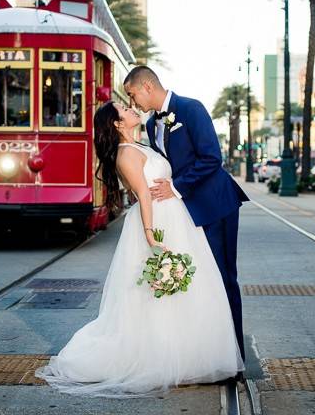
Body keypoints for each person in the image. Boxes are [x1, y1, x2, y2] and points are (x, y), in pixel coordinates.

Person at [35, 100, 244, 397]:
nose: (132, 108)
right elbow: (143, 195)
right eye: (124, 108)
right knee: (160, 290)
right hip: (159, 220)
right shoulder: (125, 154)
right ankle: (163, 357)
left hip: (176, 217)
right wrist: (150, 235)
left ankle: (184, 353)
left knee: (185, 288)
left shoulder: (142, 144)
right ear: (118, 124)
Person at [125, 66, 250, 367]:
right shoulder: (153, 123)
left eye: (132, 94)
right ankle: (208, 351)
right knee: (203, 282)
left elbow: (212, 158)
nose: (133, 102)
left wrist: (176, 187)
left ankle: (234, 355)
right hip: (185, 214)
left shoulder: (191, 109)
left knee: (223, 278)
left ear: (146, 87)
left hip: (216, 205)